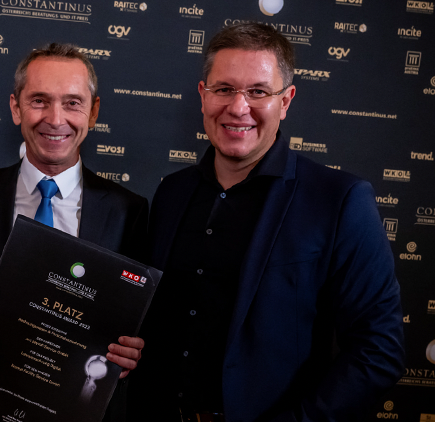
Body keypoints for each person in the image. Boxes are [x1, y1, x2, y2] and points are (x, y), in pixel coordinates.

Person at [131, 23, 405, 422]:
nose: (238, 107)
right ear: (203, 95)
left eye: (258, 91)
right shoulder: (171, 192)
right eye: (224, 89)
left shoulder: (339, 200)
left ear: (286, 100)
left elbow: (379, 350)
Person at [0, 43, 147, 422]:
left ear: (93, 112)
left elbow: (135, 324)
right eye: (39, 101)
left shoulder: (128, 211)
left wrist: (134, 349)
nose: (55, 119)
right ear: (15, 107)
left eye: (72, 103)